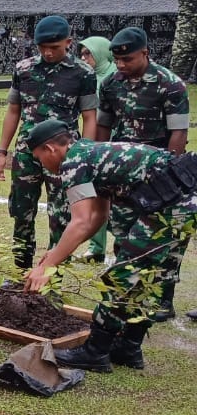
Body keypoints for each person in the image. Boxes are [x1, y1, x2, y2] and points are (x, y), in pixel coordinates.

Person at [22, 119, 196, 372]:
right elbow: (97, 217)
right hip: (184, 201)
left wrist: (46, 267)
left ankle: (95, 351)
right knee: (154, 275)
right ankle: (129, 347)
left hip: (170, 205)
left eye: (39, 158)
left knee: (123, 275)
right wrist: (57, 252)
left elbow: (81, 222)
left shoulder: (74, 162)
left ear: (50, 149)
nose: (42, 165)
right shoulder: (90, 153)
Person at [95, 27, 190, 321]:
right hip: (123, 172)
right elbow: (103, 126)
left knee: (164, 238)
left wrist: (168, 177)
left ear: (145, 53)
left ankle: (163, 300)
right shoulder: (110, 84)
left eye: (128, 59)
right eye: (117, 60)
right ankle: (127, 296)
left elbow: (179, 133)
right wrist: (99, 164)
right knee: (123, 233)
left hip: (159, 173)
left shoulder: (170, 85)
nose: (121, 65)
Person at [0, 15, 97, 272]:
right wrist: (2, 151)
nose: (48, 53)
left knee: (61, 215)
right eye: (42, 47)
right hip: (27, 153)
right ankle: (21, 270)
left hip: (64, 156)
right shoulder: (24, 69)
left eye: (54, 47)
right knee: (21, 211)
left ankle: (53, 275)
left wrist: (85, 157)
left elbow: (89, 117)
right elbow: (13, 110)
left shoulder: (83, 73)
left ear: (69, 43)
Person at [75, 35, 115, 262]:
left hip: (116, 144)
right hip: (94, 144)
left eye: (88, 53)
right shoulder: (87, 77)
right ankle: (96, 248)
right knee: (95, 195)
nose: (83, 58)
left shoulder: (115, 77)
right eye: (81, 54)